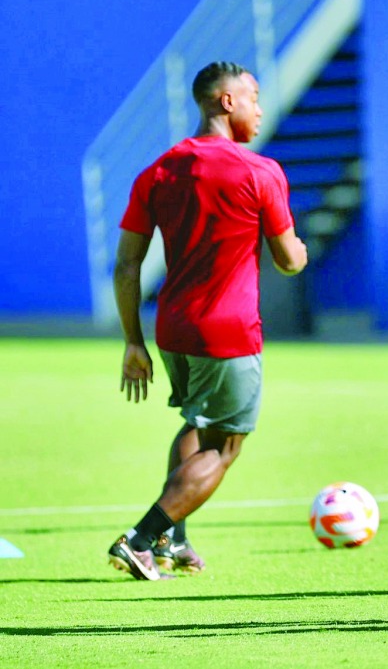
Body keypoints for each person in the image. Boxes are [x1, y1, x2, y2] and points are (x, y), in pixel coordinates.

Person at [108, 61, 308, 580]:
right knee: (224, 446)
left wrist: (133, 343)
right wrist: (301, 250)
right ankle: (141, 539)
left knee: (196, 424)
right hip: (228, 333)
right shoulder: (259, 171)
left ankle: (173, 539)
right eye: (253, 97)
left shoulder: (158, 171)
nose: (259, 108)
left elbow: (127, 265)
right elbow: (289, 261)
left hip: (172, 329)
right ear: (227, 101)